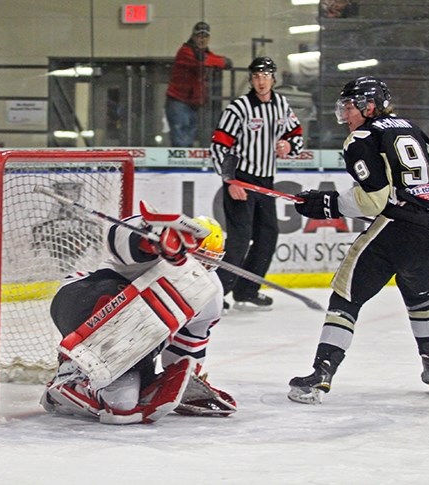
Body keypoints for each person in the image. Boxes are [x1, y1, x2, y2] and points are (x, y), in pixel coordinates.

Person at [287, 76, 429, 404]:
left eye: (350, 107)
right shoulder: (410, 127)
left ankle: (321, 374)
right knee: (418, 291)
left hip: (401, 228)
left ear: (369, 107)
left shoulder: (362, 136)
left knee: (346, 295)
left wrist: (326, 204)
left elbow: (373, 201)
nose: (346, 115)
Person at [40, 207, 237, 424]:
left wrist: (182, 381)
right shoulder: (156, 254)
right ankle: (73, 367)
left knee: (122, 405)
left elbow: (187, 347)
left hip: (128, 348)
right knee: (125, 298)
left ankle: (75, 389)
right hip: (84, 302)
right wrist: (153, 239)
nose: (201, 266)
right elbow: (118, 234)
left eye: (209, 261)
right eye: (197, 257)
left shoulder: (210, 293)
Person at [210, 56, 304, 311]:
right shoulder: (238, 108)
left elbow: (296, 135)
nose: (261, 81)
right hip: (241, 179)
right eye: (256, 76)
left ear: (273, 79)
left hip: (266, 182)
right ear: (251, 80)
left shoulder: (281, 105)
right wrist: (230, 180)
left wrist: (288, 145)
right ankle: (217, 292)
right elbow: (219, 146)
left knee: (268, 236)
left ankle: (246, 289)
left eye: (265, 76)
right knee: (240, 239)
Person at [165, 21, 232, 147]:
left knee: (188, 139)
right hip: (179, 101)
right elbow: (203, 61)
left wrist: (221, 61)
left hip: (192, 104)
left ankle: (185, 166)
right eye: (199, 36)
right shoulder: (185, 52)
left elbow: (210, 59)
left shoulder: (203, 53)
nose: (202, 39)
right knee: (181, 140)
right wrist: (223, 61)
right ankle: (179, 167)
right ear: (193, 36)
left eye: (205, 36)